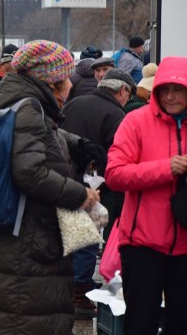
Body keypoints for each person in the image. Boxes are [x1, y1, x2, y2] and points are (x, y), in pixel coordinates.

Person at [0, 40, 100, 334]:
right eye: (67, 77)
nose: (71, 84)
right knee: (24, 322)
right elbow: (29, 171)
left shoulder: (27, 105)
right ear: (52, 81)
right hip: (26, 248)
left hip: (23, 243)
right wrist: (80, 195)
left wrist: (75, 144)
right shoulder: (29, 108)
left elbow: (41, 137)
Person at [105, 56, 187, 335]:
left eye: (179, 89)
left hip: (185, 247)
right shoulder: (135, 122)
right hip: (142, 245)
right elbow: (115, 175)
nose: (171, 96)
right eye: (165, 89)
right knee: (140, 325)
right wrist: (167, 168)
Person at [62, 68, 136, 319]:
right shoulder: (116, 114)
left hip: (63, 180)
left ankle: (68, 289)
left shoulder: (74, 103)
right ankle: (80, 294)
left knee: (68, 238)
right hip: (94, 186)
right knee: (86, 240)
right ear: (122, 91)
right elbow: (118, 154)